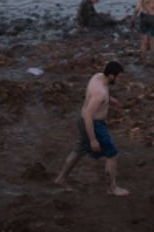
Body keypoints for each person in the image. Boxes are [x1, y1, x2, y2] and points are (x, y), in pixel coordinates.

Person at [53, 61, 129, 196]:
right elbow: (89, 115)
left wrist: (110, 99)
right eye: (119, 77)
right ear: (111, 76)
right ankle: (112, 188)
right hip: (93, 124)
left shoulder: (98, 76)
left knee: (79, 149)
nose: (120, 79)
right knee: (112, 155)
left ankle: (61, 179)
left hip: (81, 120)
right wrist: (93, 140)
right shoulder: (100, 93)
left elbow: (92, 96)